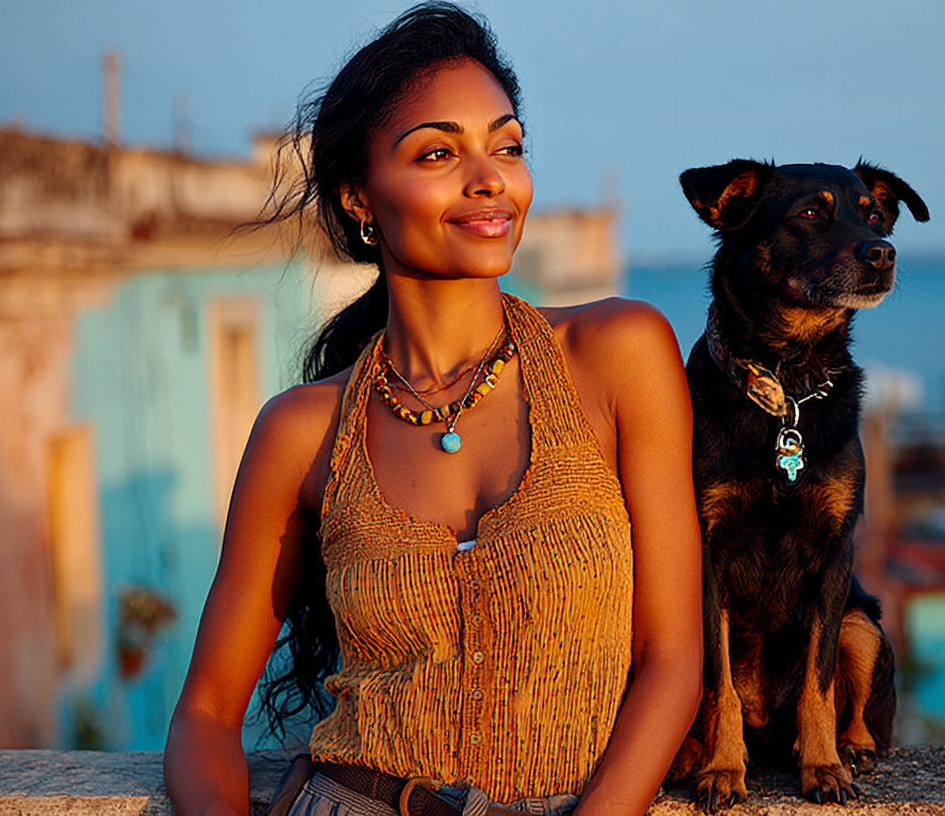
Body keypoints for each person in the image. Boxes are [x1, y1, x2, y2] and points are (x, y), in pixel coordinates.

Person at [163, 4, 703, 816]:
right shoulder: (302, 431)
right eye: (439, 153)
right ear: (359, 198)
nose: (490, 178)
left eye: (507, 146)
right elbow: (205, 712)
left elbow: (673, 660)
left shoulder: (618, 355)